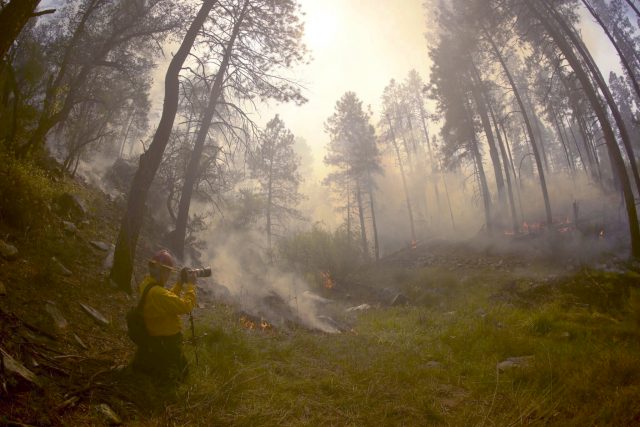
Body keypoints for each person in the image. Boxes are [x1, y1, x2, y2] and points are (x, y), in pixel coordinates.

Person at [132, 249, 197, 381]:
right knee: (182, 374)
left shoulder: (147, 284)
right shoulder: (158, 293)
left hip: (155, 336)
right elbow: (186, 306)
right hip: (166, 341)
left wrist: (179, 284)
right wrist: (191, 286)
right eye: (168, 272)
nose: (168, 275)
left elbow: (167, 300)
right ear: (163, 271)